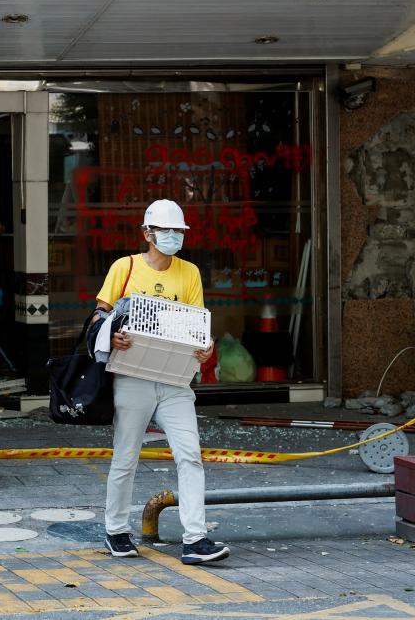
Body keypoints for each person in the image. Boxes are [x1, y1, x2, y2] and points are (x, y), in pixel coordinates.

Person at [94, 199, 229, 565]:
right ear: (147, 234)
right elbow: (99, 315)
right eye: (166, 231)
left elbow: (196, 325)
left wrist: (205, 347)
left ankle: (195, 539)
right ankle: (116, 531)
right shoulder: (125, 267)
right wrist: (112, 336)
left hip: (174, 381)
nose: (173, 237)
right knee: (126, 456)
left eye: (178, 231)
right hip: (133, 377)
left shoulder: (190, 273)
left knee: (190, 456)